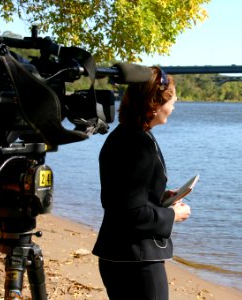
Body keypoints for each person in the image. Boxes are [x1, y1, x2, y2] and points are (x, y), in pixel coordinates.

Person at [92, 66, 191, 300]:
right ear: (154, 104)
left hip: (118, 254)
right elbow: (131, 212)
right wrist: (172, 215)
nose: (174, 107)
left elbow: (123, 194)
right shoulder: (138, 144)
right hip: (136, 261)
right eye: (172, 101)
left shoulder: (124, 135)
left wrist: (162, 196)